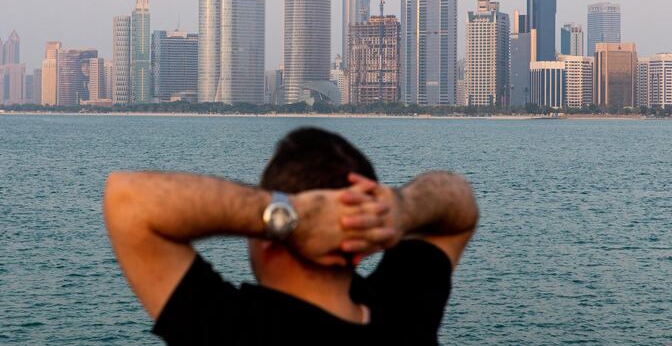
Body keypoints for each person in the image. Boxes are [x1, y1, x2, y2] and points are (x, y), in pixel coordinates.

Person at [103, 127, 478, 345]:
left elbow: (127, 200)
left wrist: (288, 214)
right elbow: (460, 210)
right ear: (364, 247)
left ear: (266, 237)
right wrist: (403, 208)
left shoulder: (238, 331)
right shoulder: (402, 317)